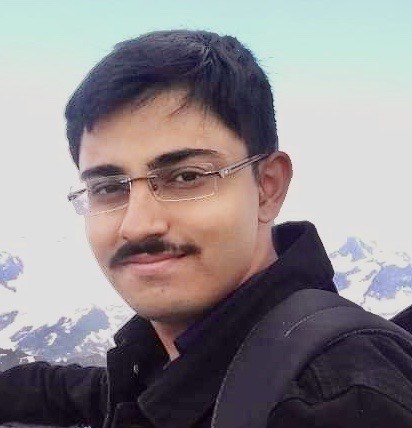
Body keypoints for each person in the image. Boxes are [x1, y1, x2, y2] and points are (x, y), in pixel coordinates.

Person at [1, 29, 412, 428]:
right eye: (108, 187)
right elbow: (101, 394)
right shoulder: (175, 362)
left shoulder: (335, 403)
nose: (138, 225)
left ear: (267, 188)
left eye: (186, 177)